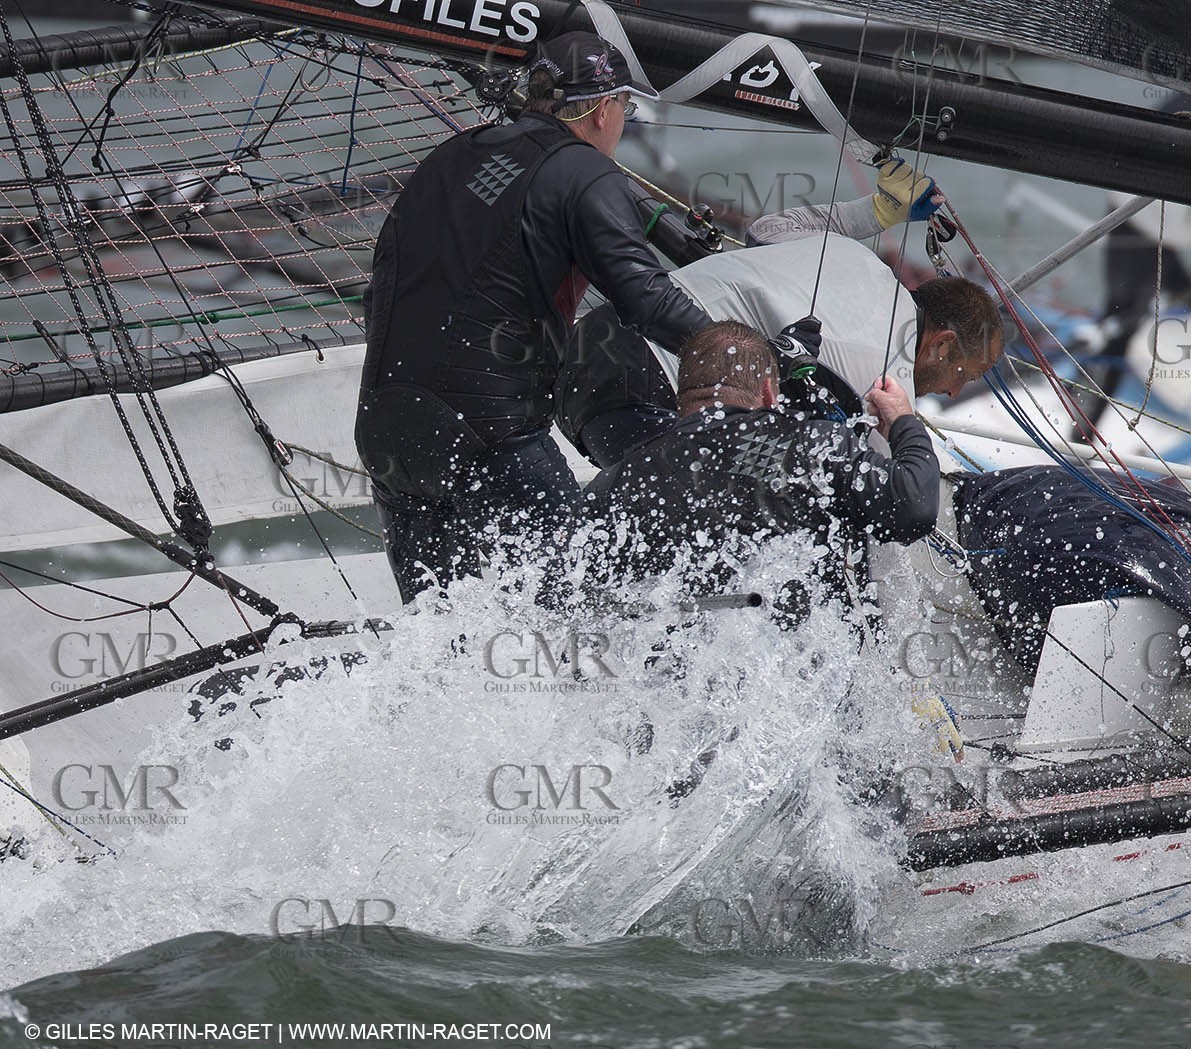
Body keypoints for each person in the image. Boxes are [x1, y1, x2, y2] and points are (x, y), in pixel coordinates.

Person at [354, 31, 713, 602]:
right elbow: (646, 300)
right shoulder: (585, 172)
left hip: (386, 428)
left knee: (438, 632)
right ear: (602, 109)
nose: (622, 122)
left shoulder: (453, 153)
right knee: (584, 611)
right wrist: (747, 351)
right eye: (625, 107)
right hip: (488, 436)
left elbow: (378, 294)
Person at [557, 160, 1005, 467]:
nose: (953, 391)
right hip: (643, 387)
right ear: (942, 343)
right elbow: (885, 498)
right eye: (966, 374)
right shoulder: (887, 382)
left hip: (591, 337)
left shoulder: (857, 257)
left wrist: (874, 213)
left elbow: (768, 230)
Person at [583, 320, 940, 613]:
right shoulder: (810, 447)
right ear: (770, 393)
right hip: (792, 665)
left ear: (681, 397)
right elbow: (915, 507)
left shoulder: (619, 478)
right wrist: (902, 422)